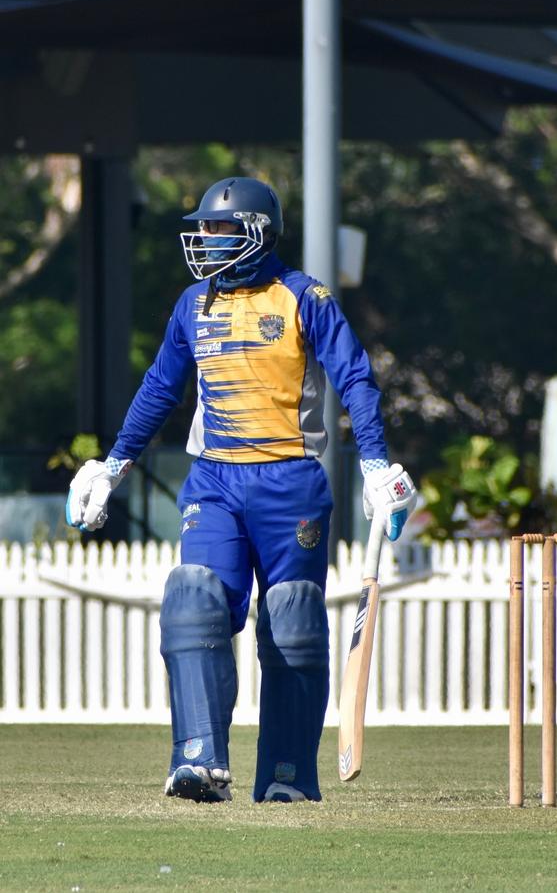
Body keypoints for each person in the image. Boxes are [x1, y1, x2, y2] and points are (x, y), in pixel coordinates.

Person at [66, 176, 416, 804]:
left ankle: (286, 778)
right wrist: (111, 466)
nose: (204, 240)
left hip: (292, 481)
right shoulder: (192, 305)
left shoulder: (304, 296)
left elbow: (356, 380)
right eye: (203, 228)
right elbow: (159, 389)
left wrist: (375, 465)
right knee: (194, 597)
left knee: (293, 620)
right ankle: (198, 761)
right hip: (215, 478)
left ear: (258, 233)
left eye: (219, 229)